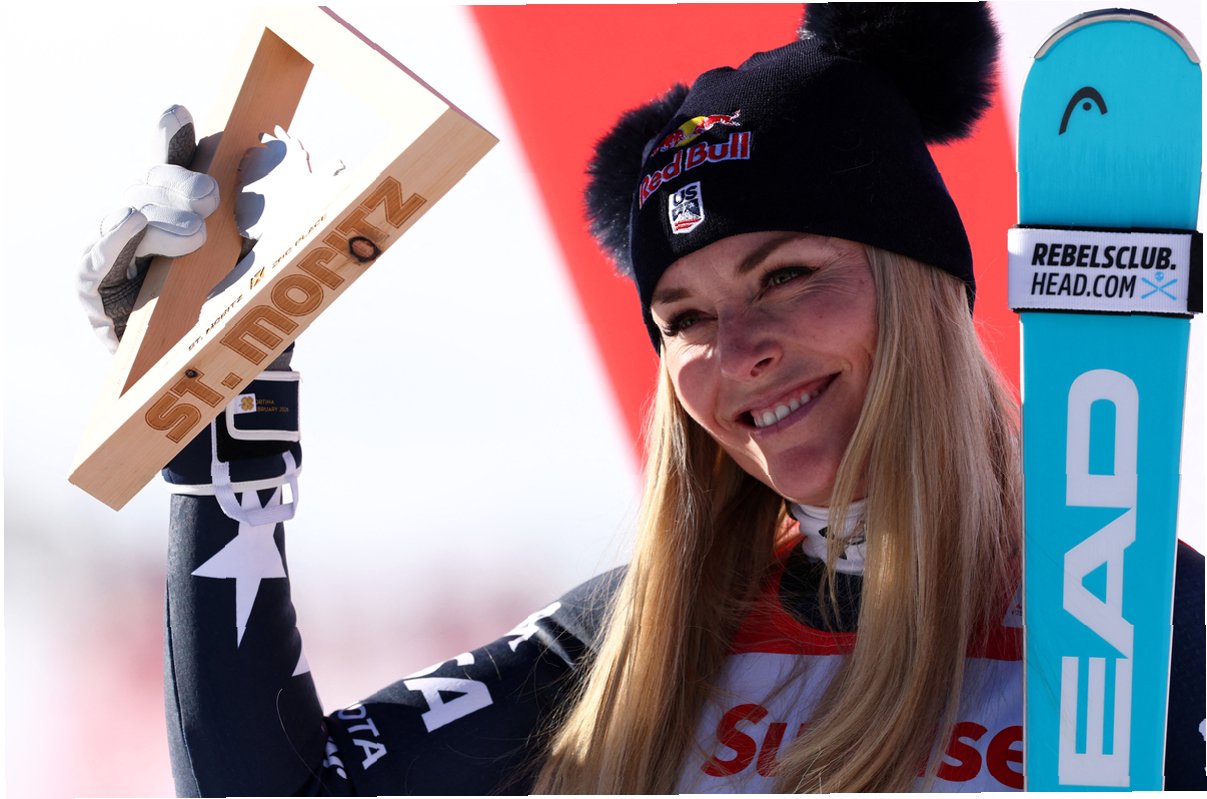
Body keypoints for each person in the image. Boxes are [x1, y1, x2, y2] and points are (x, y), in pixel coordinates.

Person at [78, 4, 1205, 794]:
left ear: (923, 291)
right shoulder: (641, 640)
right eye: (684, 319)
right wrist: (224, 416)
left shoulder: (1155, 620)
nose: (740, 350)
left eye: (786, 276)